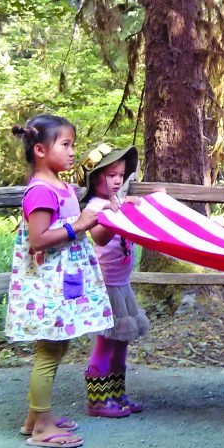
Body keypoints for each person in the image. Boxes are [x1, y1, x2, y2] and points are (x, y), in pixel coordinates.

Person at [6, 114, 114, 448]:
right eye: (65, 144)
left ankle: (35, 418)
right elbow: (38, 239)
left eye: (73, 144)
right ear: (40, 149)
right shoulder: (40, 191)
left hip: (62, 283)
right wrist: (77, 225)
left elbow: (94, 234)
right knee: (49, 350)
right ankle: (41, 427)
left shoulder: (63, 187)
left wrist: (114, 215)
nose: (72, 152)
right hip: (46, 287)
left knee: (58, 345)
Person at [78, 144, 150, 418]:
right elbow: (100, 237)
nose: (118, 180)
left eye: (121, 174)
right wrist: (113, 215)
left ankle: (117, 393)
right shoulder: (97, 207)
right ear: (96, 178)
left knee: (122, 341)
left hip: (122, 285)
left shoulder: (118, 201)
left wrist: (127, 207)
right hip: (105, 286)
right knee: (106, 342)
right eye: (110, 175)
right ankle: (97, 401)